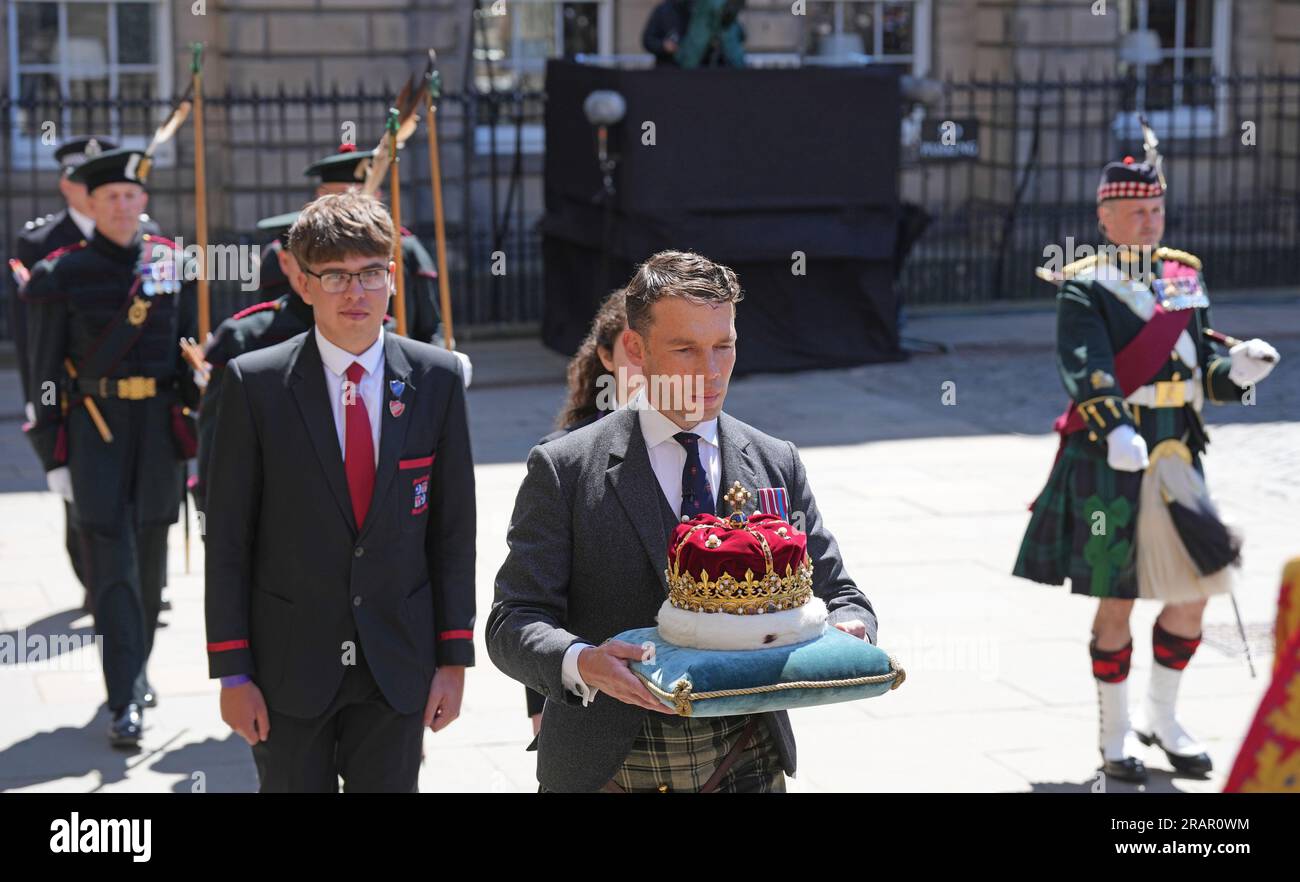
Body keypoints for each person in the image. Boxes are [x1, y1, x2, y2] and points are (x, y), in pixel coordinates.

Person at [487, 249, 877, 792]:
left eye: (724, 347)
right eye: (686, 348)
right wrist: (582, 662)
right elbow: (513, 621)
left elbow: (842, 595)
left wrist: (849, 628)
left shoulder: (775, 459)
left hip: (749, 762)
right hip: (612, 768)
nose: (711, 371)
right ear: (636, 349)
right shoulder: (566, 469)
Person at [1013, 150, 1281, 783]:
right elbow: (1084, 364)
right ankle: (1114, 735)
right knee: (1117, 597)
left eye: (1156, 209)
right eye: (1135, 211)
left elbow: (1200, 372)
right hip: (1114, 457)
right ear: (1105, 218)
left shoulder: (1183, 276)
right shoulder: (1085, 283)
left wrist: (1238, 373)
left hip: (1178, 455)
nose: (1149, 222)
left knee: (1193, 596)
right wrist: (1112, 426)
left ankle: (1163, 717)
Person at [204, 191, 476, 792]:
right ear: (303, 284)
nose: (356, 293)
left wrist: (453, 659)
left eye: (371, 273)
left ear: (393, 279)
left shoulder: (436, 379)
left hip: (396, 662)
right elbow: (226, 537)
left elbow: (453, 531)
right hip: (288, 666)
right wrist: (232, 673)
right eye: (335, 277)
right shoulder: (256, 383)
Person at [21, 147, 198, 747]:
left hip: (157, 429)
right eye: (110, 199)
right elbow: (41, 370)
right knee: (111, 565)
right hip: (95, 428)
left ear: (143, 202)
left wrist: (202, 406)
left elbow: (190, 346)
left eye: (131, 196)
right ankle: (123, 698)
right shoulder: (58, 274)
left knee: (150, 565)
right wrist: (52, 452)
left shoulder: (170, 263)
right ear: (89, 205)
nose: (123, 206)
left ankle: (137, 667)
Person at [11, 136, 160, 610]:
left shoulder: (151, 240)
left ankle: (132, 582)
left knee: (144, 513)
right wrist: (41, 400)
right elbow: (33, 333)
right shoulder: (41, 244)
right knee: (87, 508)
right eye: (102, 190)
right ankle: (100, 583)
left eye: (127, 194)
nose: (120, 204)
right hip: (81, 398)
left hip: (145, 407)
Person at [524, 289, 641, 734]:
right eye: (633, 349)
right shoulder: (561, 458)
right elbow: (535, 595)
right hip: (594, 700)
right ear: (607, 358)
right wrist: (540, 702)